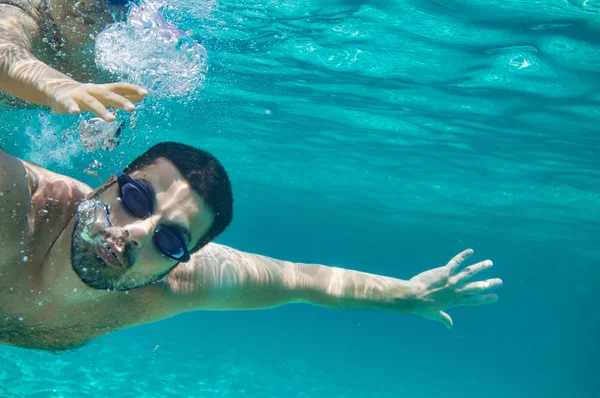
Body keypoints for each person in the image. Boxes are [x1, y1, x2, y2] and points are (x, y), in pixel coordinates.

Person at [0, 142, 502, 352]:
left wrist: (408, 294)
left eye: (171, 239)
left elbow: (298, 280)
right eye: (134, 197)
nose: (135, 231)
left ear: (182, 260)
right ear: (103, 186)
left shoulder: (172, 288)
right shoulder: (14, 207)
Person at [0, 0, 147, 121]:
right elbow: (4, 51)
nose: (87, 3)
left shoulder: (144, 51)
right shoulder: (17, 14)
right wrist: (60, 86)